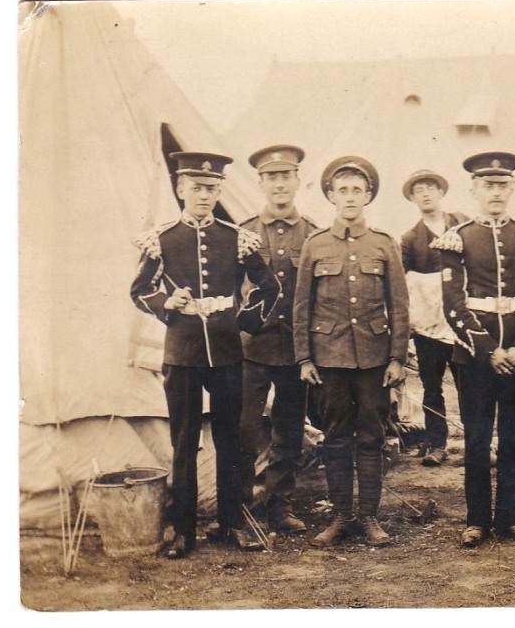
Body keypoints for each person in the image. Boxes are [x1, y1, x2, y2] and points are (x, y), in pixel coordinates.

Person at [131, 151, 281, 559]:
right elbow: (139, 290)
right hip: (181, 354)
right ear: (180, 189)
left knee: (230, 440)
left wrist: (244, 320)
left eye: (212, 189)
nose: (204, 195)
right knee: (183, 443)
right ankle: (183, 532)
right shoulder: (161, 239)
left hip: (228, 354)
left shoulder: (236, 238)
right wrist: (168, 303)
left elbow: (269, 287)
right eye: (196, 188)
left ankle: (231, 524)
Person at [431, 151, 515, 547]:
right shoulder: (457, 239)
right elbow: (453, 303)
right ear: (474, 189)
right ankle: (477, 519)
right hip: (475, 357)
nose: (496, 192)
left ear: (512, 188)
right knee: (478, 438)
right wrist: (488, 350)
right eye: (488, 185)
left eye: (502, 185)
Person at [293, 155, 409, 547]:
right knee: (336, 436)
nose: (350, 197)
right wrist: (305, 358)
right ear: (330, 195)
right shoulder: (315, 245)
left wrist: (397, 358)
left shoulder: (383, 244)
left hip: (375, 359)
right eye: (342, 190)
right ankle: (341, 517)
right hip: (329, 358)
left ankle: (370, 518)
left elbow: (400, 305)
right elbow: (302, 306)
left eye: (357, 190)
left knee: (371, 437)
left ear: (368, 195)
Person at [238, 145, 317, 534]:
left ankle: (280, 505)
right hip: (251, 349)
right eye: (272, 177)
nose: (280, 184)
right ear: (261, 183)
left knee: (289, 430)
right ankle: (240, 506)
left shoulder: (314, 234)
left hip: (294, 350)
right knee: (245, 429)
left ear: (298, 181)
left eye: (286, 176)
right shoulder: (242, 232)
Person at [399, 169, 468, 466]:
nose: (425, 193)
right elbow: (402, 283)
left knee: (470, 385)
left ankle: (478, 444)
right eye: (418, 190)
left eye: (430, 188)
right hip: (429, 328)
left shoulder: (463, 224)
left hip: (464, 324)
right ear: (413, 198)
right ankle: (437, 444)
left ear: (441, 192)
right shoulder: (410, 238)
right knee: (432, 386)